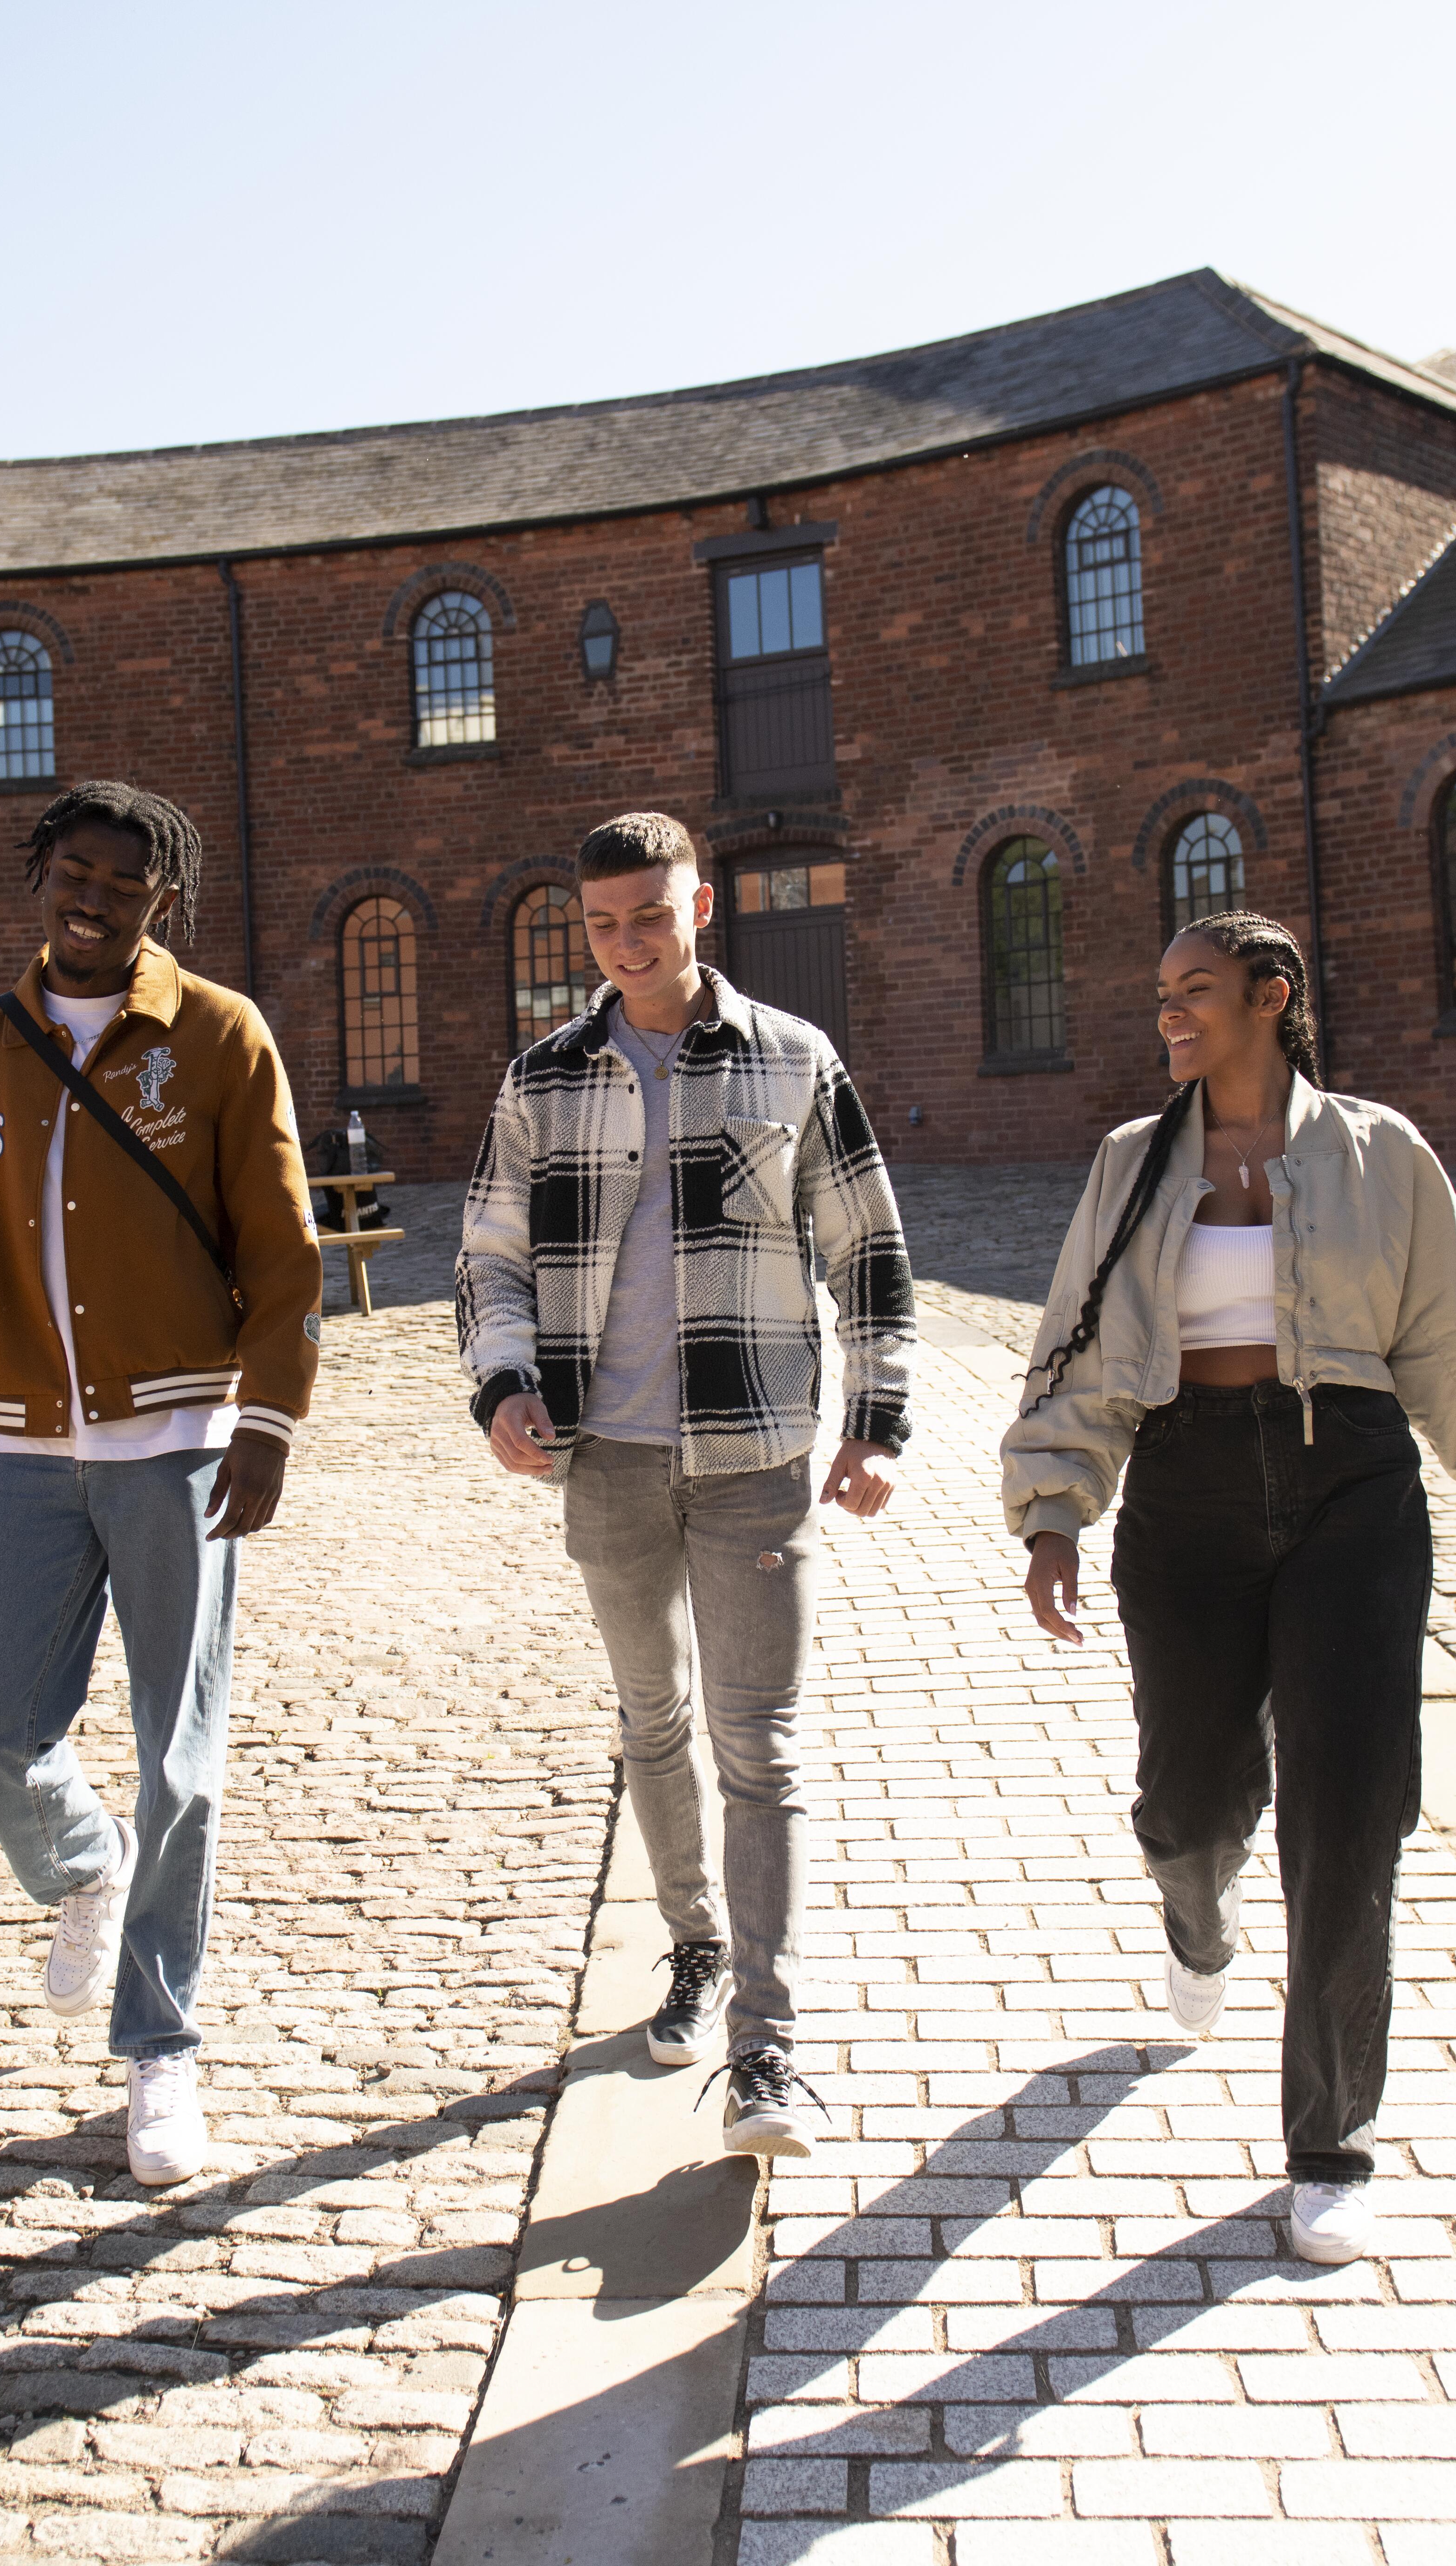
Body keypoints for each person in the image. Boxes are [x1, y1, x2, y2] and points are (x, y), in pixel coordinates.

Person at [999, 910, 1456, 2264]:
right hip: (1186, 1495)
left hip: (1354, 1491)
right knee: (1192, 1795)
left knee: (1350, 1817)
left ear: (1272, 998)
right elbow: (1076, 1354)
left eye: (1197, 992)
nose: (1170, 1016)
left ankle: (1332, 2141)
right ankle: (1195, 1919)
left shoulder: (1381, 1155)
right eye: (1160, 994)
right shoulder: (1131, 1165)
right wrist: (1052, 1517)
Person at [0, 780, 324, 2186]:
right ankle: (82, 1861)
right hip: (28, 1452)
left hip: (182, 1449)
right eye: (72, 872)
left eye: (121, 886)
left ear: (159, 905)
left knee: (181, 1761)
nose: (91, 898)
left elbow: (286, 1247)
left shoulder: (220, 1036)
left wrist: (271, 1420)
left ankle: (163, 2050)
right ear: (40, 878)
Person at [457, 812, 916, 2161]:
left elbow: (871, 1254)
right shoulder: (545, 1077)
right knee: (651, 1718)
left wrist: (876, 1425)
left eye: (650, 917)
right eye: (603, 925)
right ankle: (695, 1949)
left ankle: (769, 2053)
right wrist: (501, 1386)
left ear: (700, 905)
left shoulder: (794, 1060)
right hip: (602, 1459)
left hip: (756, 1455)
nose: (628, 945)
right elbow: (486, 1255)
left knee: (757, 1743)